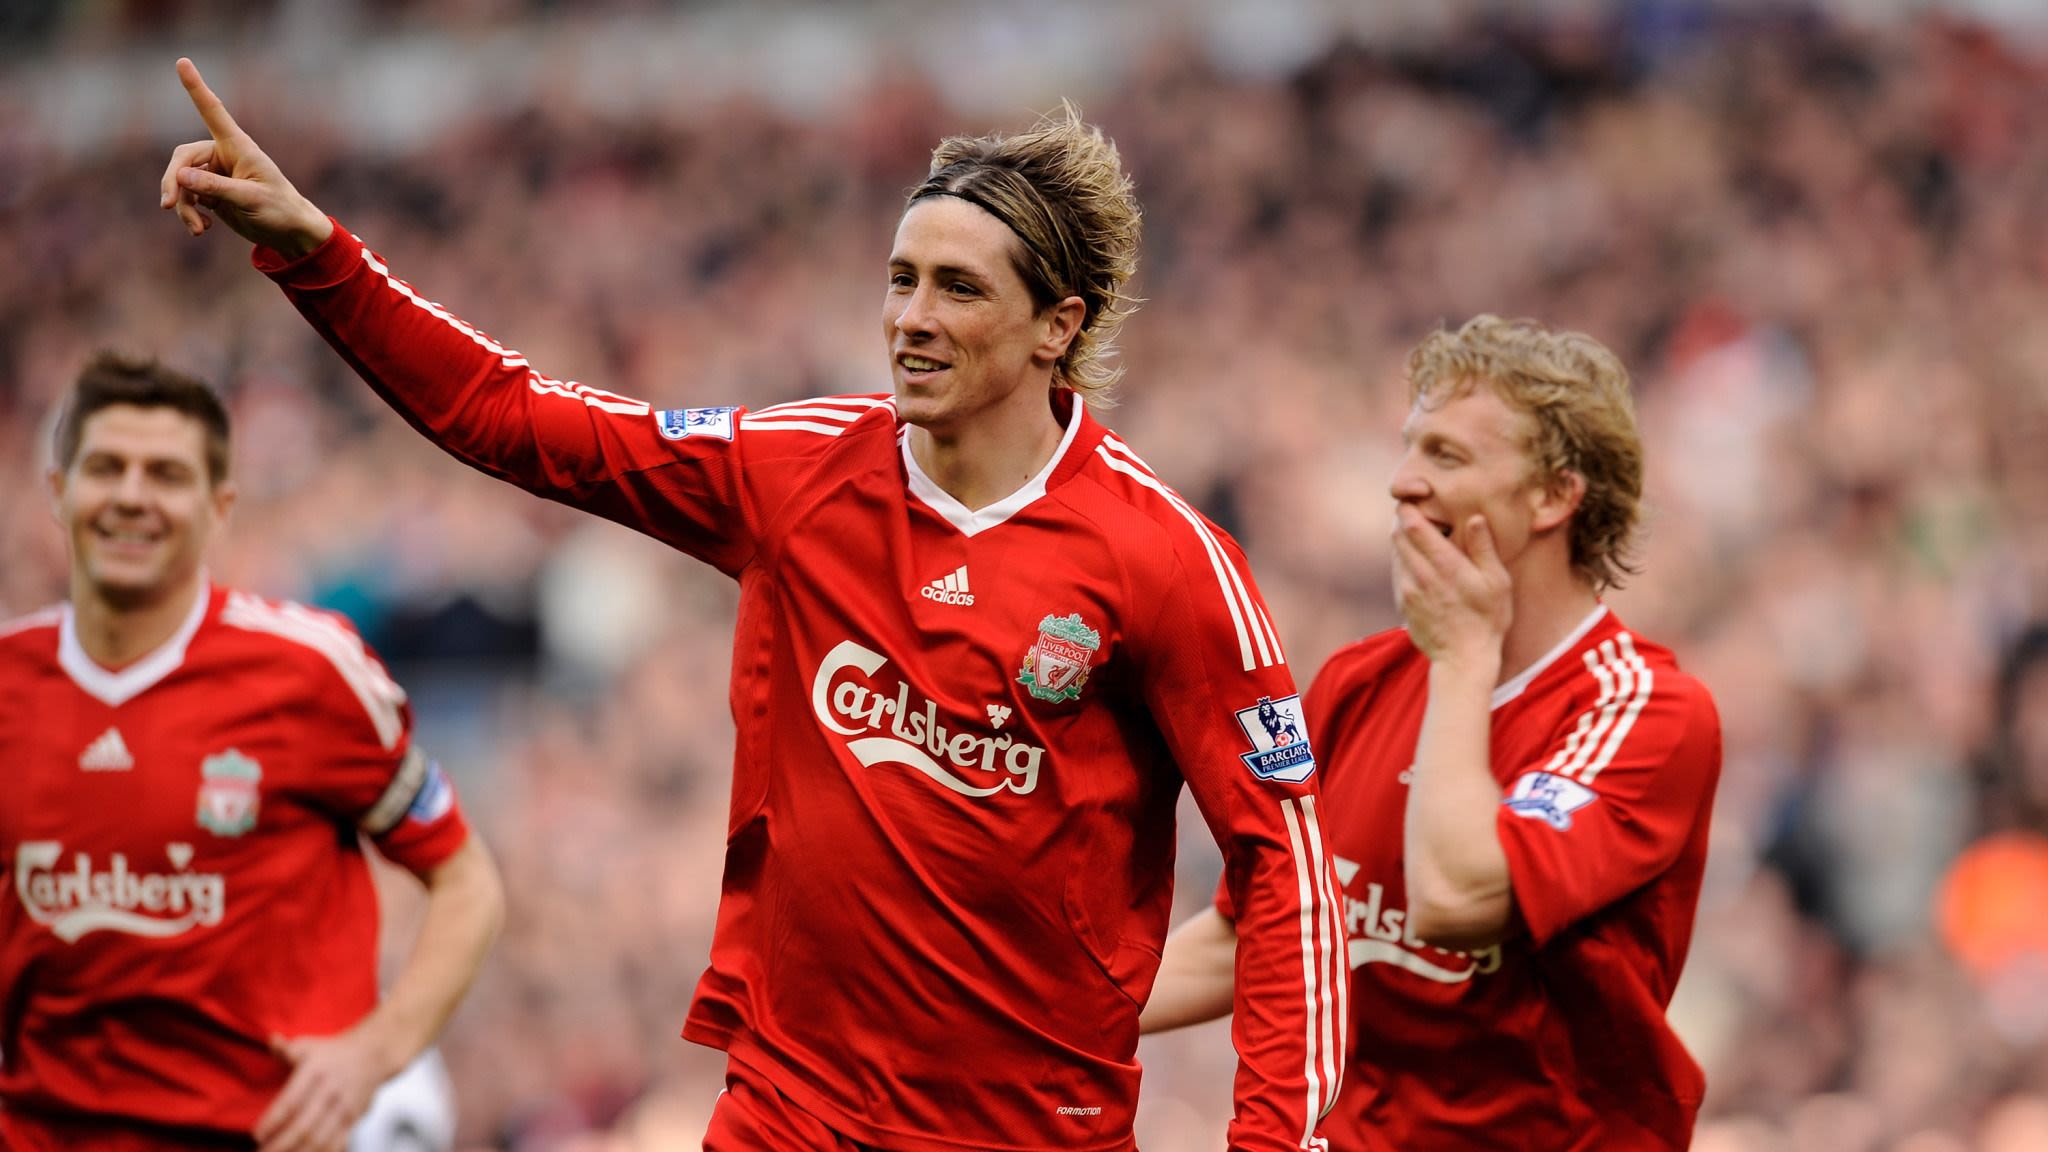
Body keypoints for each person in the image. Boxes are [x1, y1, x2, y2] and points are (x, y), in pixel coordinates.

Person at [161, 57, 1346, 1152]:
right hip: (790, 1111)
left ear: (1057, 326)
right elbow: (512, 417)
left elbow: (1288, 879)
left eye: (957, 289)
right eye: (900, 279)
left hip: (1028, 1130)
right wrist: (317, 252)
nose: (910, 317)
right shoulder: (796, 472)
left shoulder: (1163, 559)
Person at [1141, 316, 1723, 1150]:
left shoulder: (1646, 713)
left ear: (1555, 497)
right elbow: (1259, 934)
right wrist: (1042, 1019)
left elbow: (1457, 900)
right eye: (1409, 447)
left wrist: (1462, 659)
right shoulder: (1357, 682)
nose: (1402, 483)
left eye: (1446, 456)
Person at [0, 354, 505, 1152]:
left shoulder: (308, 672)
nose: (131, 495)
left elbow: (466, 880)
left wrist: (375, 1055)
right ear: (59, 493)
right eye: (106, 468)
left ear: (219, 506)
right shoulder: (9, 683)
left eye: (166, 474)